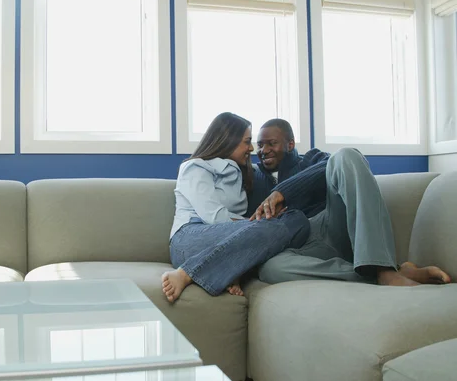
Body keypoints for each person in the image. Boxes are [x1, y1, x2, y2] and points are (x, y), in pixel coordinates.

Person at [247, 118, 451, 286]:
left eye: (271, 143)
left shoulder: (310, 159)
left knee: (346, 156)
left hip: (329, 226)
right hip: (300, 248)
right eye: (260, 145)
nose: (264, 149)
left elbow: (333, 165)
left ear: (290, 144)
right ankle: (387, 274)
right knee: (271, 269)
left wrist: (283, 192)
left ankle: (384, 268)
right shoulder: (254, 178)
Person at [161, 113, 311, 303]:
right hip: (190, 238)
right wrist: (261, 222)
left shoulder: (246, 174)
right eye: (247, 142)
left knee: (296, 219)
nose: (251, 148)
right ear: (228, 141)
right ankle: (187, 273)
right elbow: (214, 217)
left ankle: (234, 268)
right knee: (271, 225)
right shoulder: (195, 167)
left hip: (230, 239)